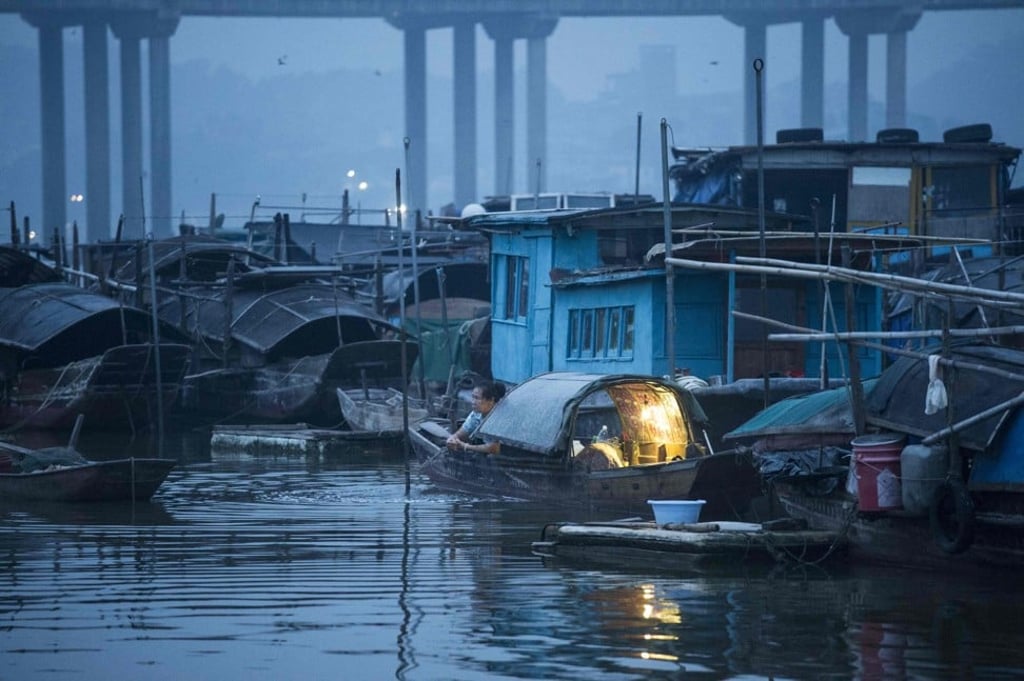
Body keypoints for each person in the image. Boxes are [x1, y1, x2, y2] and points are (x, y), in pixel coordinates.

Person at [446, 380, 506, 455]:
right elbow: (465, 430)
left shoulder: (499, 418)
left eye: (477, 398)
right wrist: (453, 438)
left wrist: (466, 446)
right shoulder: (477, 413)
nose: (473, 402)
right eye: (473, 397)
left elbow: (495, 448)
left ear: (491, 400)